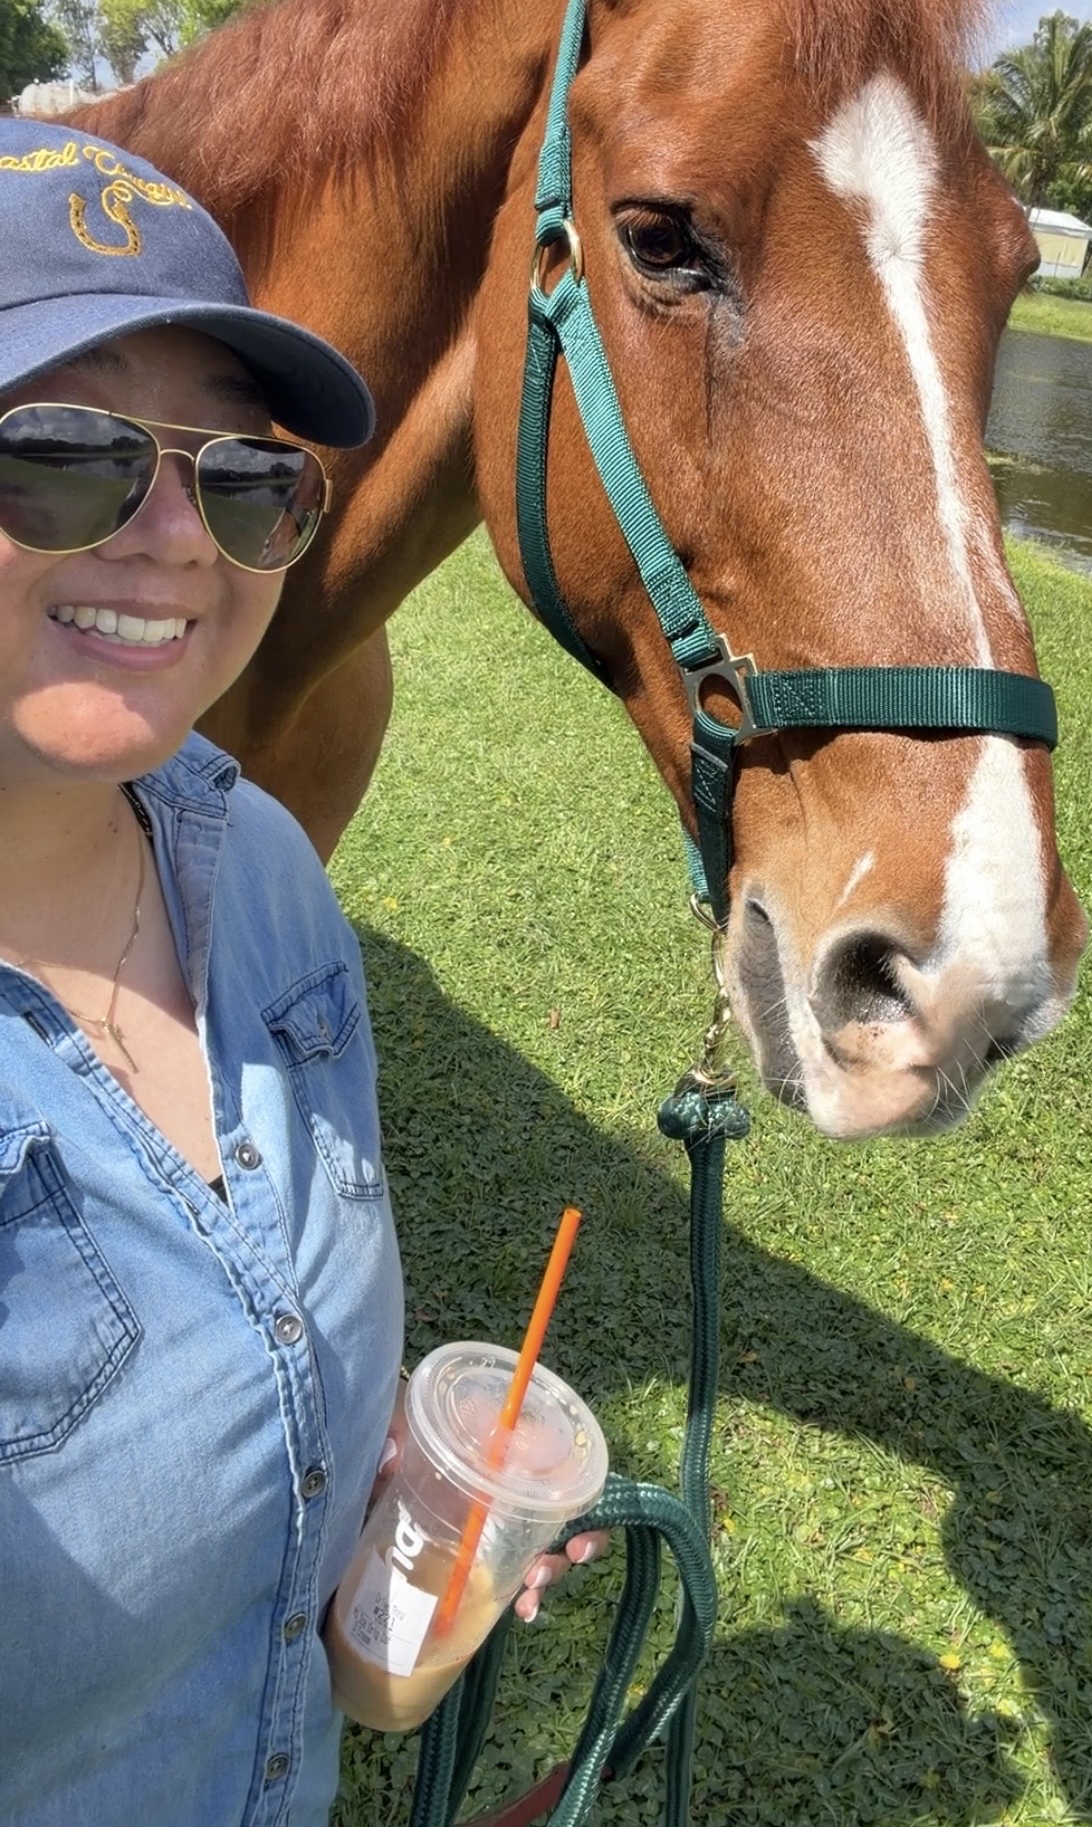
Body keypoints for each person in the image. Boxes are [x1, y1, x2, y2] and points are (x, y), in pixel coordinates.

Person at [0, 122, 600, 1826]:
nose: (179, 540)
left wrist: (364, 1524)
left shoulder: (258, 868)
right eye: (62, 453)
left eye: (246, 479)